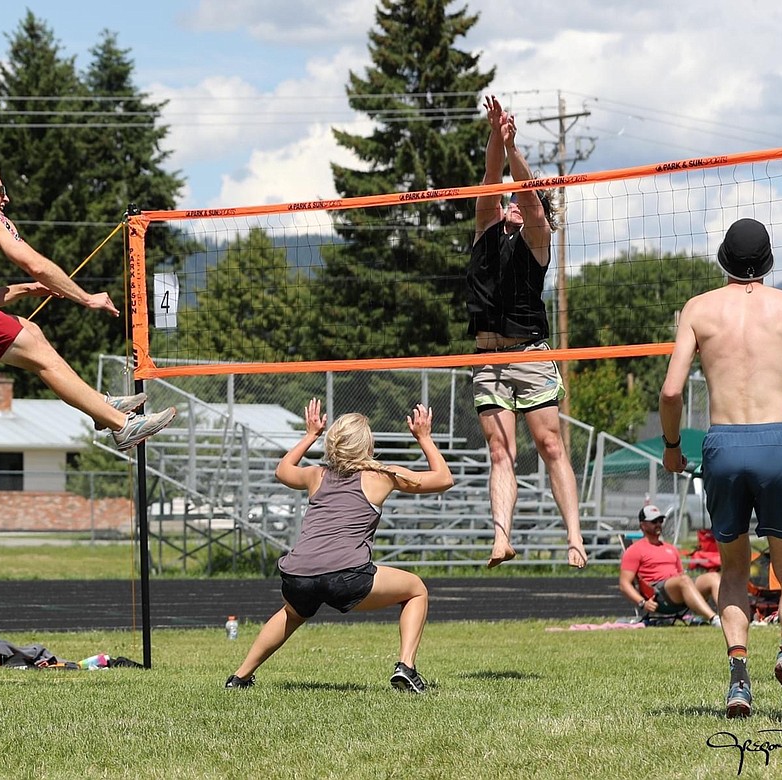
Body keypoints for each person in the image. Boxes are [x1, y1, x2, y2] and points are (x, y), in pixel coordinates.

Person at [661, 217, 782, 720]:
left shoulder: (699, 308)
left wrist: (673, 446)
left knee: (733, 568)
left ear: (722, 260)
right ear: (769, 261)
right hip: (778, 441)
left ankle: (739, 679)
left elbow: (671, 392)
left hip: (723, 444)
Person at [0, 164, 175, 451]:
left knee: (31, 331)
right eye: (0, 191)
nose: (6, 199)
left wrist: (29, 289)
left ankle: (100, 405)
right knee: (41, 357)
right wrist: (86, 298)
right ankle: (123, 426)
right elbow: (35, 264)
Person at [224, 399, 454, 693]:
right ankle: (405, 667)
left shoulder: (316, 475)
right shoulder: (381, 476)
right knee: (416, 589)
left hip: (297, 577)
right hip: (346, 578)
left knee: (292, 614)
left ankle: (240, 677)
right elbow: (444, 478)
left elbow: (282, 470)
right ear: (366, 446)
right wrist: (424, 437)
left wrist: (310, 435)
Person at [467, 95, 587, 570]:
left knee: (550, 445)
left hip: (529, 354)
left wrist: (515, 151)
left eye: (519, 201)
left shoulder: (537, 239)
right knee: (501, 451)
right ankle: (501, 538)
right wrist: (498, 134)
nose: (513, 205)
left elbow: (532, 202)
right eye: (510, 201)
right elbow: (488, 183)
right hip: (485, 358)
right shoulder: (485, 230)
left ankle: (574, 539)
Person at [619, 504, 721, 624]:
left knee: (713, 577)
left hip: (678, 588)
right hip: (658, 594)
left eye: (660, 520)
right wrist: (642, 602)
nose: (658, 524)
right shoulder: (635, 550)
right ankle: (714, 619)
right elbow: (624, 584)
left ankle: (728, 616)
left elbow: (680, 574)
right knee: (683, 580)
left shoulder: (670, 548)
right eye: (653, 521)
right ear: (642, 525)